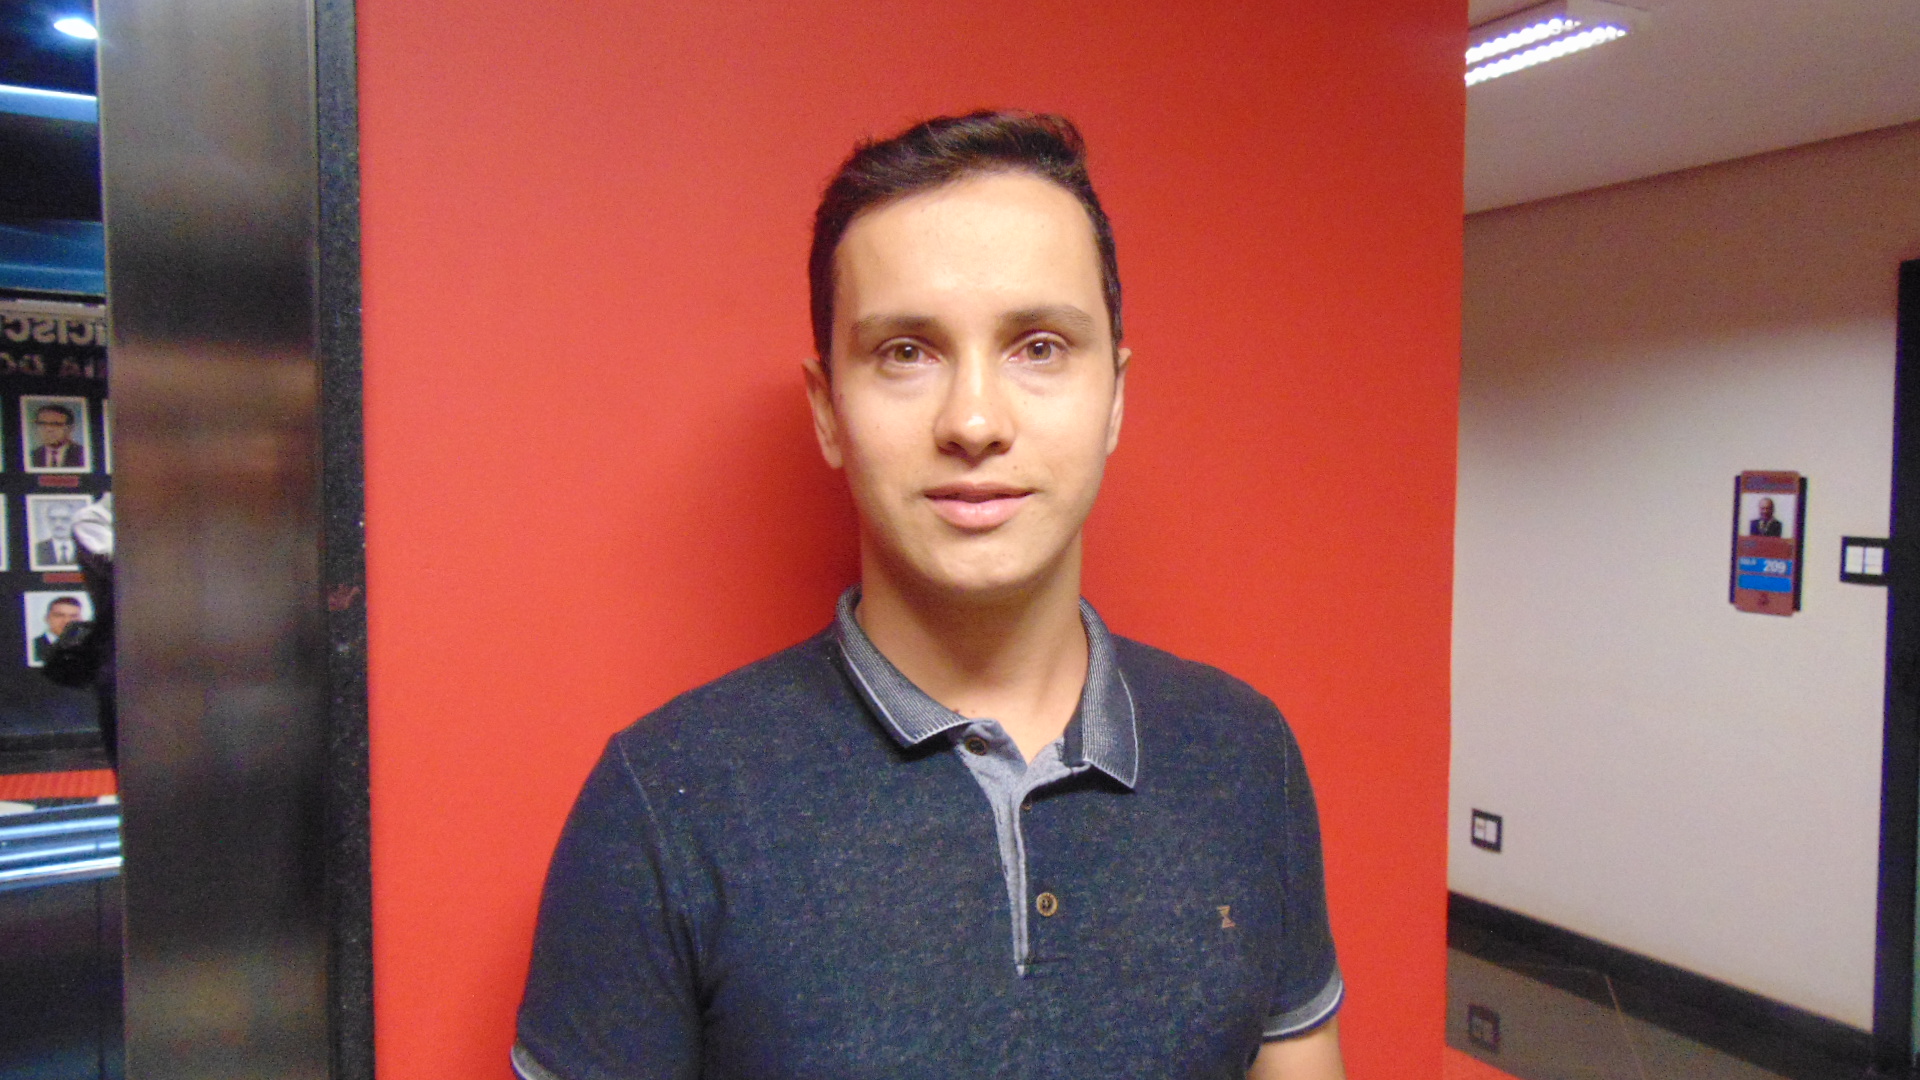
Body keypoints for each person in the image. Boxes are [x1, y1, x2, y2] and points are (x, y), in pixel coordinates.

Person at [515, 112, 1345, 1080]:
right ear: (829, 410)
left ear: (1115, 397)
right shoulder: (660, 807)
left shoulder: (1247, 758)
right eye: (907, 352)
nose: (975, 420)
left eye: (1039, 346)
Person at [29, 403, 87, 470]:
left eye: (56, 424)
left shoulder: (83, 454)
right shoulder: (32, 456)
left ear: (70, 428)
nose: (49, 429)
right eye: (43, 424)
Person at [30, 596, 83, 666]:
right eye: (59, 615)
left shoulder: (88, 646)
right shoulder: (32, 647)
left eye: (73, 616)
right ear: (47, 618)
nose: (67, 621)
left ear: (81, 620)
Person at [33, 500, 80, 568]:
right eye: (53, 519)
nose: (58, 524)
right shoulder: (37, 549)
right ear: (47, 521)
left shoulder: (85, 547)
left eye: (65, 519)